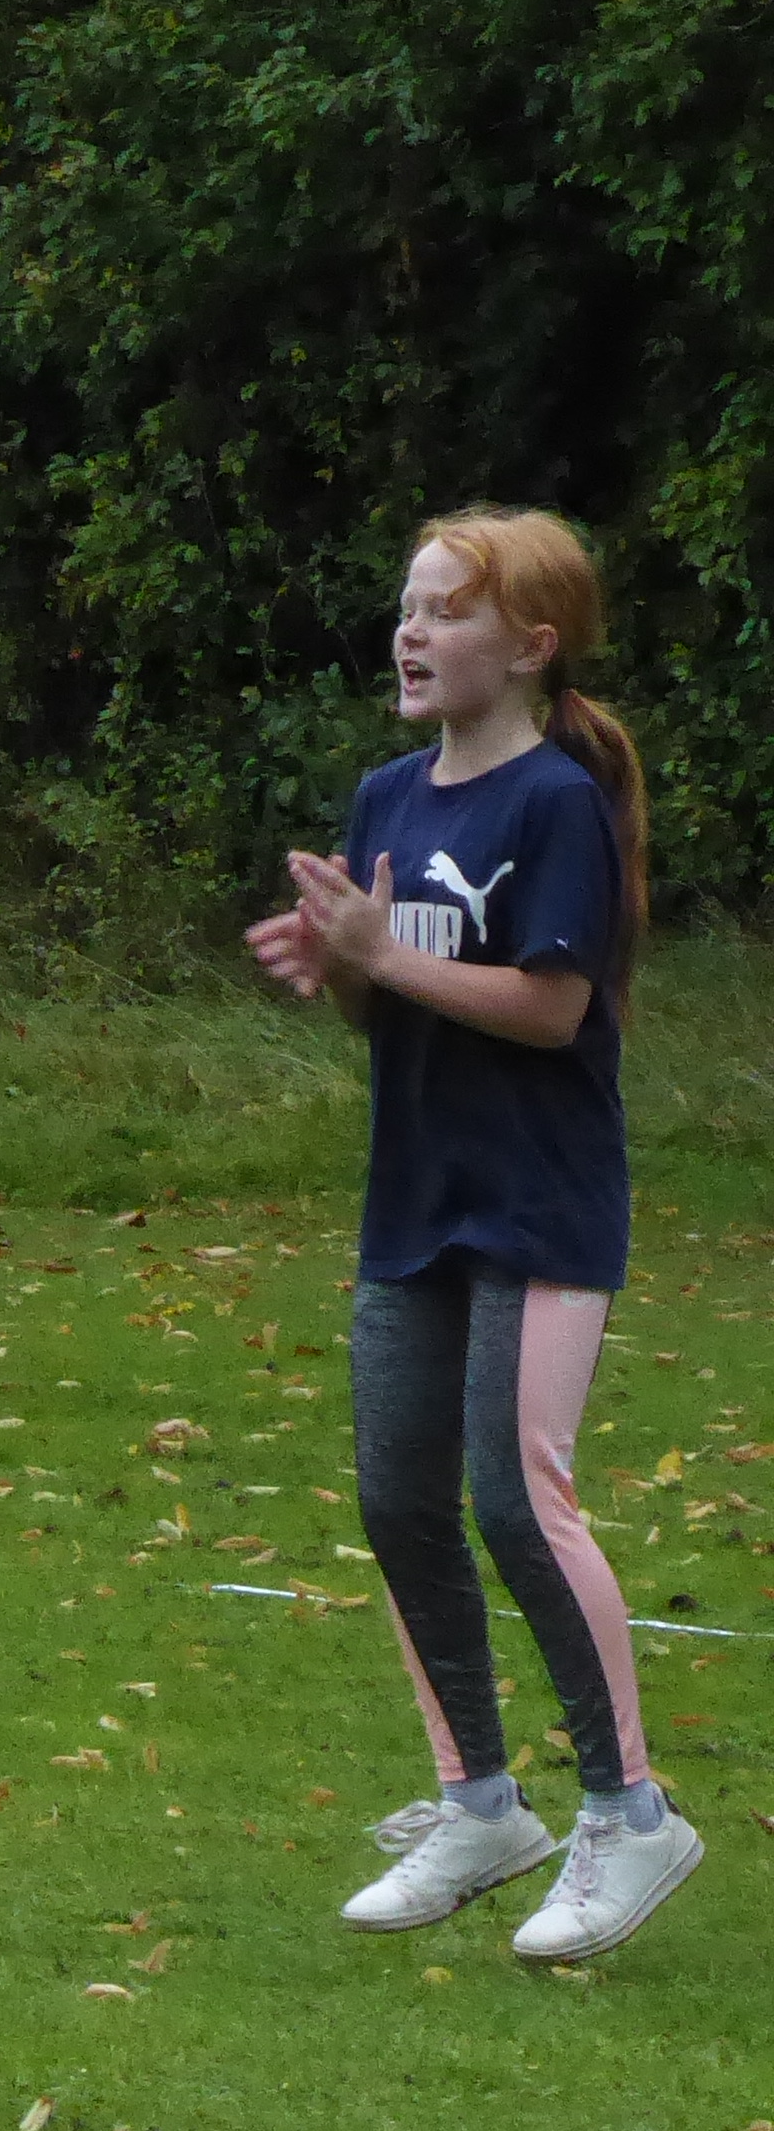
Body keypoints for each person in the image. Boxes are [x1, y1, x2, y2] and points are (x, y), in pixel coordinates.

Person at [246, 506, 700, 1962]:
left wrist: (386, 955)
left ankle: (630, 1813)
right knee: (398, 1501)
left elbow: (552, 1009)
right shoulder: (388, 795)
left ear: (529, 646)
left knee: (518, 1502)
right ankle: (480, 1807)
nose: (410, 631)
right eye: (408, 606)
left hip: (540, 1204)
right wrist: (341, 964)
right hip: (417, 1200)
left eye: (446, 610)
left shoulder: (554, 803)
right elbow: (387, 999)